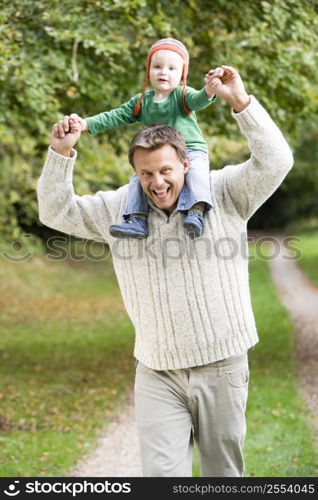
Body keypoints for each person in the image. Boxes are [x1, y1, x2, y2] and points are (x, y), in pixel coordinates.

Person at [37, 65, 293, 477]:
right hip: (157, 370)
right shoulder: (120, 209)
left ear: (187, 164)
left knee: (223, 478)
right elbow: (55, 211)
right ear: (135, 173)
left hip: (222, 364)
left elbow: (277, 160)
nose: (156, 183)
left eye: (165, 170)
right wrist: (61, 153)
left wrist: (240, 104)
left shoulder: (224, 192)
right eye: (146, 173)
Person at [68, 38, 216, 239]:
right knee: (139, 179)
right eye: (157, 66)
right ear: (148, 71)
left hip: (190, 149)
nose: (163, 72)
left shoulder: (182, 95)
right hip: (157, 158)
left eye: (172, 68)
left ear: (182, 74)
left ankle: (196, 212)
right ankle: (137, 219)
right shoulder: (141, 102)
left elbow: (199, 100)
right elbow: (115, 115)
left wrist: (209, 90)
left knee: (197, 174)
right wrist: (85, 124)